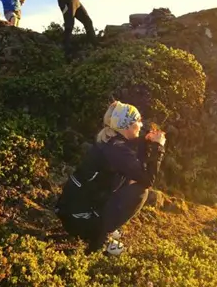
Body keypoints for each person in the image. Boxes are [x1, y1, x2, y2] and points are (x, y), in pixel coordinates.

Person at [54, 100, 166, 255]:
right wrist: (158, 148)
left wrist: (147, 143)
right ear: (127, 125)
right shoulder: (117, 150)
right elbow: (148, 179)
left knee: (129, 179)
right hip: (80, 221)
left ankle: (100, 226)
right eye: (138, 121)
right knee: (140, 191)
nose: (141, 125)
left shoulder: (111, 141)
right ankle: (100, 240)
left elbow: (133, 163)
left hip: (72, 214)